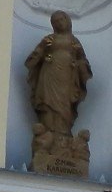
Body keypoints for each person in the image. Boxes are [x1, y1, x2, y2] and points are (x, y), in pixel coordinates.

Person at [24, 9, 92, 173]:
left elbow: (83, 61)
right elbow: (35, 56)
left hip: (67, 79)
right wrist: (39, 56)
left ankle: (64, 140)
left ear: (68, 21)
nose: (59, 23)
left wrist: (80, 67)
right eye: (55, 21)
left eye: (61, 19)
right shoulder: (49, 40)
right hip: (49, 76)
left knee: (65, 110)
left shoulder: (74, 42)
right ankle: (48, 139)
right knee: (48, 106)